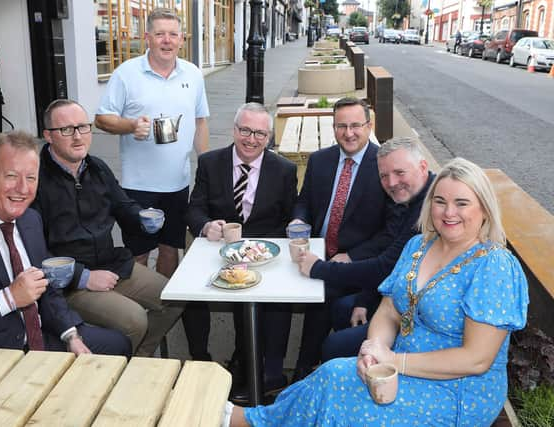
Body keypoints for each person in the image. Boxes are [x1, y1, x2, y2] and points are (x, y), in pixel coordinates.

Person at [226, 157, 528, 426]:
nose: (449, 212)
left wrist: (394, 361)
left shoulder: (494, 266)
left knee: (339, 395)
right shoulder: (418, 246)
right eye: (439, 201)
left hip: (458, 392)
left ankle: (249, 421)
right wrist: (374, 350)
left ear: (485, 210)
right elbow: (389, 309)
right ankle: (255, 420)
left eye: (462, 203)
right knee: (332, 374)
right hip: (400, 369)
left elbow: (476, 359)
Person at [0, 131, 131, 391]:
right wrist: (8, 299)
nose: (23, 189)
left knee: (118, 346)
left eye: (31, 178)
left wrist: (70, 334)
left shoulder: (29, 220)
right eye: (11, 176)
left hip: (39, 342)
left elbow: (46, 286)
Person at [32, 99, 183, 356]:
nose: (78, 136)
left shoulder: (96, 167)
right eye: (67, 129)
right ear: (48, 136)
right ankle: (114, 376)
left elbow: (123, 206)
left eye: (83, 127)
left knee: (177, 297)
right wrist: (83, 276)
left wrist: (142, 217)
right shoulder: (35, 180)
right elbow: (33, 250)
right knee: (135, 320)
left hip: (111, 264)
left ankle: (138, 359)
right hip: (68, 285)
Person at [185, 102, 297, 401]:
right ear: (234, 130)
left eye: (260, 133)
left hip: (265, 254)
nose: (251, 139)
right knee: (192, 294)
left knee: (274, 301)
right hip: (219, 252)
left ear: (269, 137)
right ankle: (208, 361)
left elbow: (289, 217)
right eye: (245, 130)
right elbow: (194, 208)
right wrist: (206, 226)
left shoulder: (284, 170)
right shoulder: (210, 163)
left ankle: (265, 373)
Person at [292, 137, 434, 361]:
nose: (392, 182)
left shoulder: (427, 210)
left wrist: (319, 268)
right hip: (400, 295)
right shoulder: (410, 200)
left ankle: (343, 370)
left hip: (423, 317)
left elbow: (384, 266)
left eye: (400, 173)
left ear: (423, 167)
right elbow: (392, 265)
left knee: (333, 345)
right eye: (384, 176)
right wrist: (364, 300)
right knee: (342, 309)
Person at [95, 8, 210, 279]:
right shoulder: (126, 73)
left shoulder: (193, 75)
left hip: (178, 184)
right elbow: (101, 119)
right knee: (139, 252)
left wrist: (206, 167)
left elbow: (200, 121)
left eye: (173, 34)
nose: (166, 40)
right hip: (138, 186)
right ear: (147, 37)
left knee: (170, 248)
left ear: (182, 39)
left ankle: (163, 307)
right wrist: (131, 125)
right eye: (160, 34)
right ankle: (139, 308)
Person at [290, 97, 390, 381]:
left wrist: (354, 255)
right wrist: (299, 220)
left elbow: (388, 232)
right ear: (333, 127)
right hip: (314, 250)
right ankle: (270, 365)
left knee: (324, 298)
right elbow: (304, 201)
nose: (349, 133)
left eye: (356, 125)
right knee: (276, 300)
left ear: (369, 126)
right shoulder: (320, 160)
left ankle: (303, 368)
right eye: (341, 126)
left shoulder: (383, 166)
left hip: (356, 262)